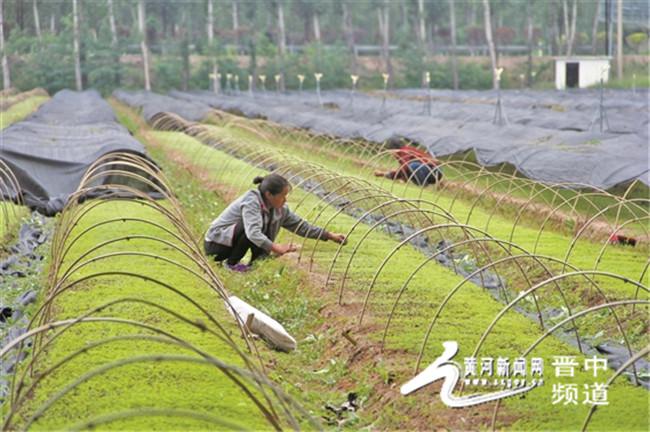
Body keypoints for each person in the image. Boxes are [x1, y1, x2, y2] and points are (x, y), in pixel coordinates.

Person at [204, 174, 347, 272]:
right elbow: (252, 233)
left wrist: (329, 235)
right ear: (269, 195)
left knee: (259, 230)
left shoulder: (280, 209)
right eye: (282, 196)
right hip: (217, 245)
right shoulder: (251, 201)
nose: (285, 200)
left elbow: (301, 226)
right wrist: (277, 248)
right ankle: (231, 264)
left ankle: (255, 263)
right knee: (251, 227)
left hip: (230, 242)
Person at [374, 137, 443, 186]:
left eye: (391, 151)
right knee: (410, 169)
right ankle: (422, 185)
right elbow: (403, 170)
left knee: (412, 166)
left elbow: (404, 168)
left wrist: (383, 174)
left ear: (394, 149)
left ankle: (423, 185)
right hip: (431, 171)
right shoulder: (403, 152)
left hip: (435, 171)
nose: (391, 154)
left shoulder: (404, 151)